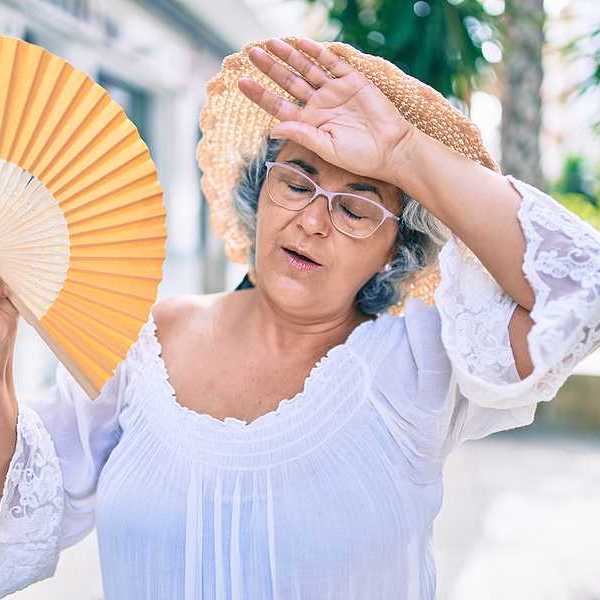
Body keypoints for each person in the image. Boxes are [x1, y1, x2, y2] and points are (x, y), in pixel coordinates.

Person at [1, 36, 599, 600]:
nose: (313, 222)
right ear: (260, 191)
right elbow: (24, 506)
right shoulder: (143, 341)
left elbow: (579, 290)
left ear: (396, 251)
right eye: (297, 181)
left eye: (359, 208)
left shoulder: (421, 363)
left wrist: (403, 154)